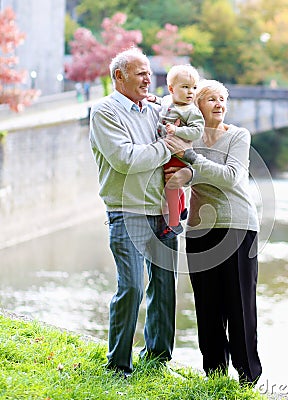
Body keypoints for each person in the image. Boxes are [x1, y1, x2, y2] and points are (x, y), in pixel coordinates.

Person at [89, 47, 187, 377]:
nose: (149, 78)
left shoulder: (156, 111)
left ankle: (158, 358)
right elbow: (126, 160)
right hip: (126, 210)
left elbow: (187, 137)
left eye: (149, 72)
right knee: (130, 286)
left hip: (162, 210)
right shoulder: (104, 112)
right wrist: (166, 147)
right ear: (119, 76)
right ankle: (118, 365)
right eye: (140, 72)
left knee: (164, 284)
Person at [164, 79, 262, 385]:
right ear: (197, 106)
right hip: (199, 228)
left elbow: (231, 177)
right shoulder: (186, 137)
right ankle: (215, 374)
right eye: (211, 100)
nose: (219, 104)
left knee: (240, 305)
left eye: (223, 99)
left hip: (238, 226)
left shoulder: (238, 136)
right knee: (206, 305)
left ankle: (248, 377)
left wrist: (191, 163)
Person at [148, 64, 204, 239]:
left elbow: (197, 131)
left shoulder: (192, 111)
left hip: (179, 153)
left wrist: (177, 131)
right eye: (185, 87)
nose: (190, 92)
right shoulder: (167, 100)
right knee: (172, 182)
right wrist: (154, 99)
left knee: (171, 185)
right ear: (171, 89)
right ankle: (182, 208)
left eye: (194, 88)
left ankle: (173, 224)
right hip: (168, 151)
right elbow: (162, 103)